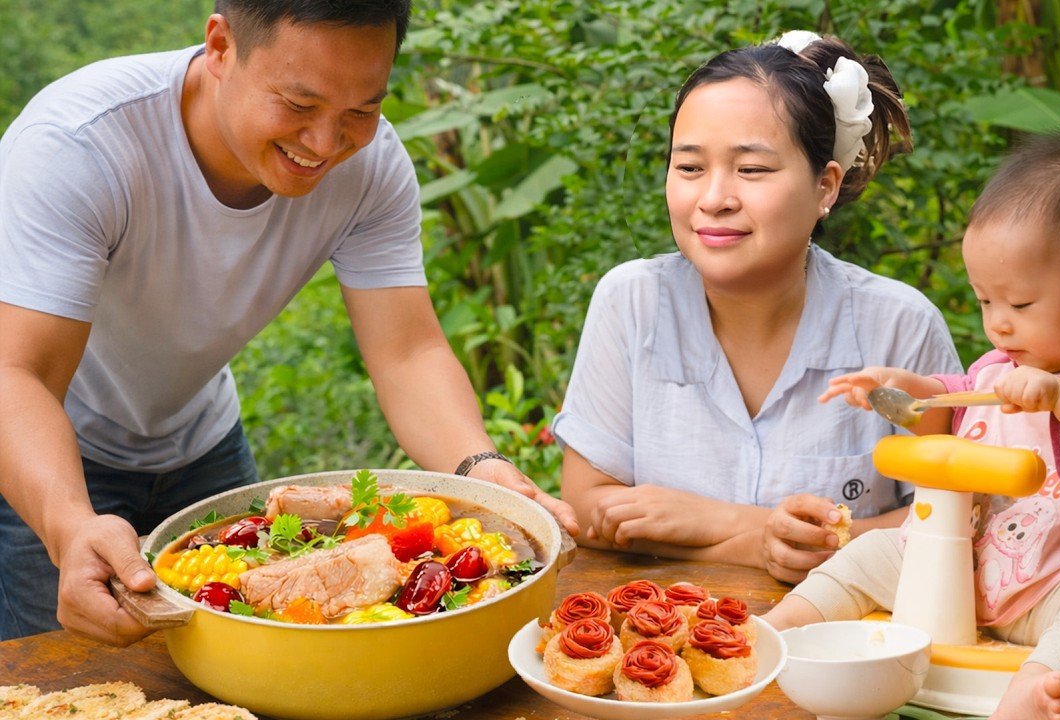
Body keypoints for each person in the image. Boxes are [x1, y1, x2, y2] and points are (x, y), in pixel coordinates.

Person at [0, 0, 577, 646]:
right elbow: (17, 372)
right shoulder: (79, 146)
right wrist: (71, 525)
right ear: (220, 48)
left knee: (244, 659)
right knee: (64, 678)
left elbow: (407, 352)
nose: (326, 144)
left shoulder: (370, 167)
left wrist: (480, 466)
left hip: (203, 443)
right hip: (47, 455)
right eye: (300, 105)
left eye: (362, 110)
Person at [761, 129, 1060, 720]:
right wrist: (902, 390)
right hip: (968, 568)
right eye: (986, 301)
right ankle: (776, 631)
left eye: (1020, 304)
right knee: (872, 551)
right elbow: (953, 407)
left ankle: (1043, 687)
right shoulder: (997, 369)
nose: (999, 325)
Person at [551, 30, 962, 584]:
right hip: (658, 630)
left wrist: (716, 522)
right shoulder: (631, 301)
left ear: (825, 187)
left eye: (752, 170)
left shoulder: (899, 326)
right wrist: (757, 542)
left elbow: (960, 518)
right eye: (690, 168)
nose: (713, 198)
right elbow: (586, 509)